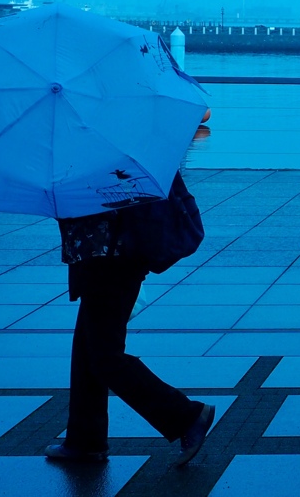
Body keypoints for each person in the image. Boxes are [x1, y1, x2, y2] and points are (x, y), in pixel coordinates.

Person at [46, 173, 215, 466]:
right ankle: (85, 439)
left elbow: (106, 198)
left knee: (104, 356)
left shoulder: (103, 148)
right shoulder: (100, 142)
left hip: (112, 254)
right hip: (102, 253)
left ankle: (186, 416)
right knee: (88, 348)